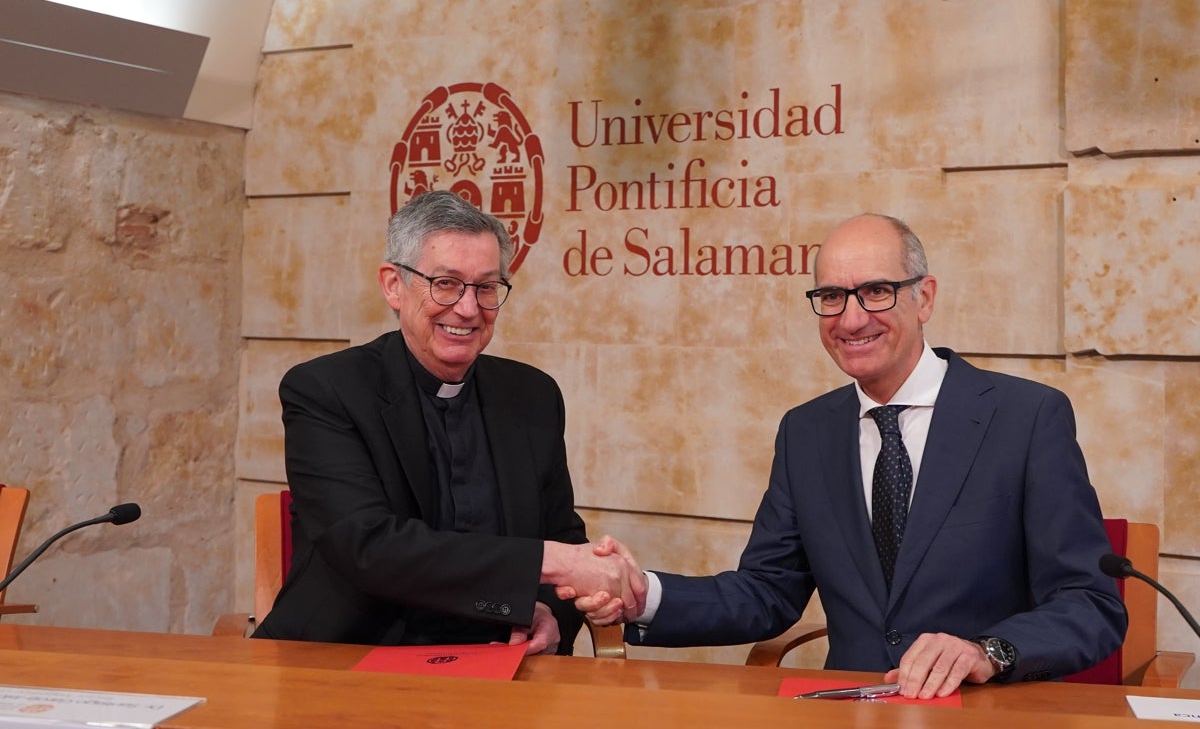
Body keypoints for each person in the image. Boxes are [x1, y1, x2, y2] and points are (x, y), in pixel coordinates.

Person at [575, 213, 1126, 696]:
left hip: (987, 712)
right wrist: (647, 595)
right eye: (832, 297)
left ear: (925, 296)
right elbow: (768, 592)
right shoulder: (806, 432)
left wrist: (990, 652)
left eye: (877, 291)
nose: (852, 319)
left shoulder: (1026, 417)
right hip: (852, 710)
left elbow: (1089, 602)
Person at [254, 190, 644, 654]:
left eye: (485, 287)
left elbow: (559, 530)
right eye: (445, 283)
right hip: (348, 656)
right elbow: (368, 545)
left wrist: (551, 614)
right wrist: (555, 563)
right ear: (394, 286)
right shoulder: (326, 389)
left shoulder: (532, 395)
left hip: (499, 660)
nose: (467, 308)